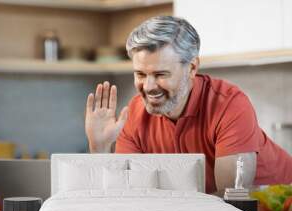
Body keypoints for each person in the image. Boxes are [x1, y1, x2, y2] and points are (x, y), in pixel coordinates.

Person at [84, 16, 292, 196]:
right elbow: (127, 195)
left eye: (160, 74)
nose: (148, 86)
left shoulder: (229, 104)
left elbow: (232, 199)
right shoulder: (135, 113)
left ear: (192, 67)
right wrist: (100, 148)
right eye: (140, 74)